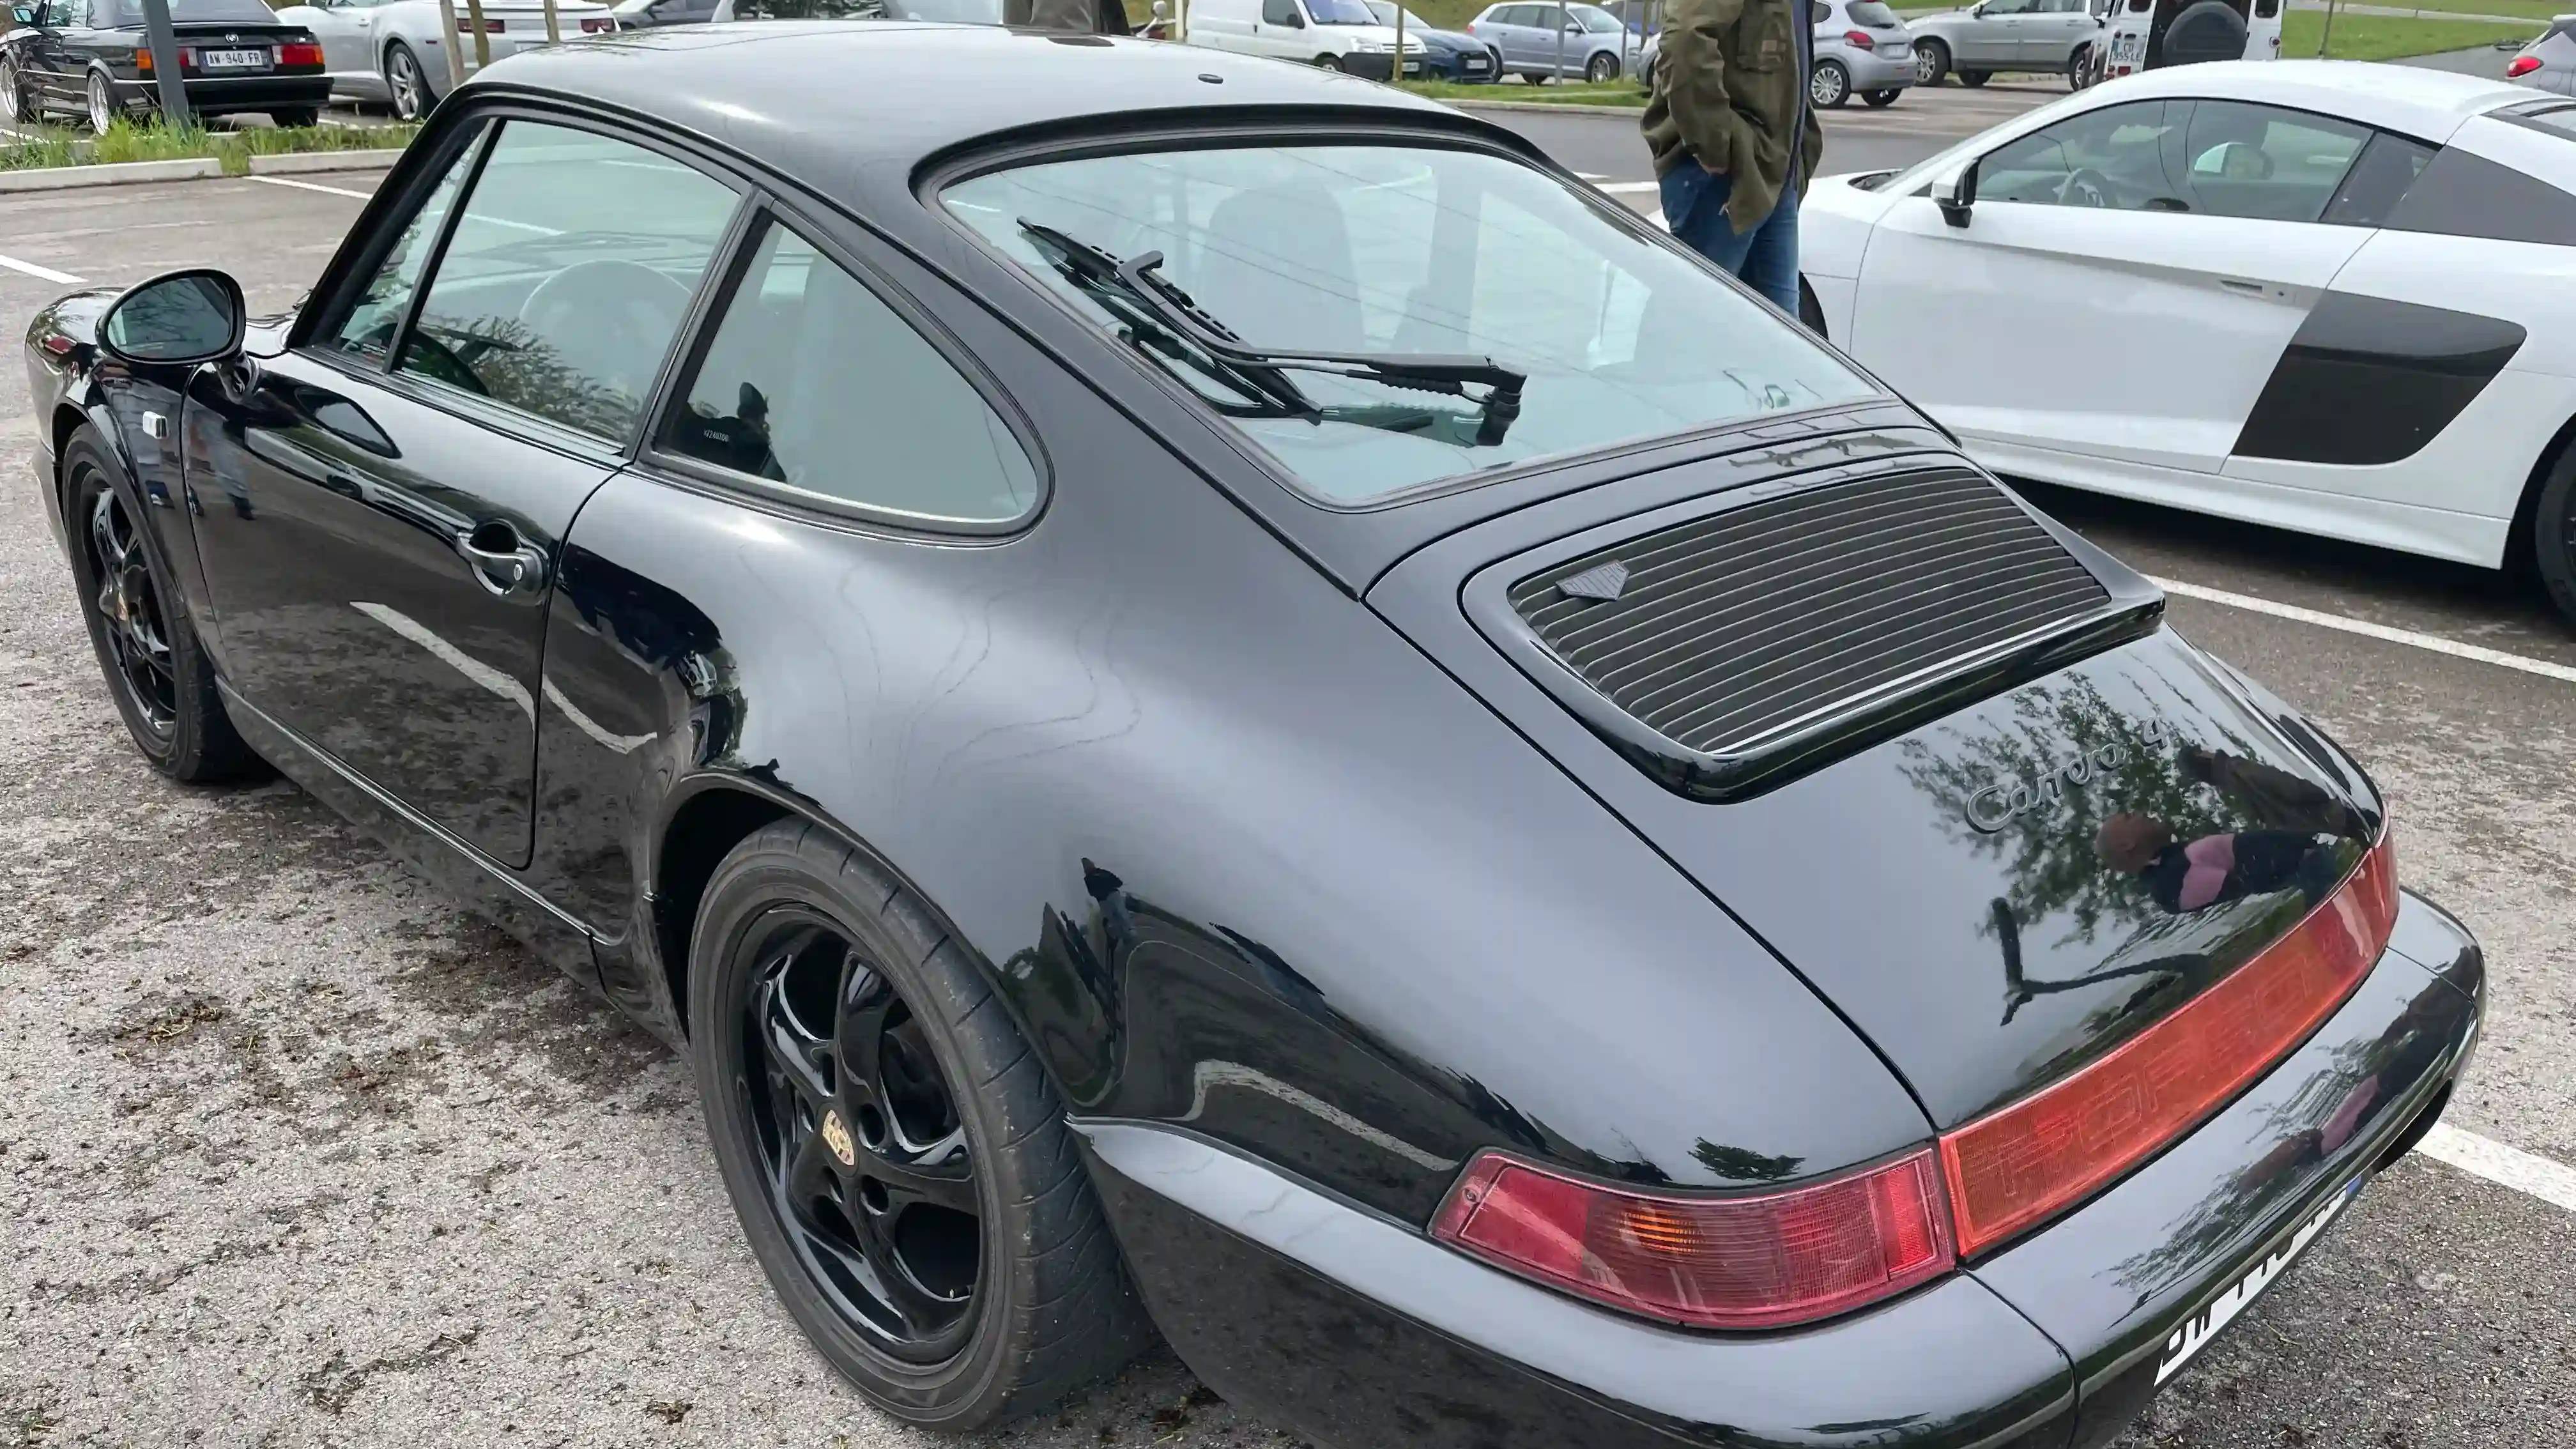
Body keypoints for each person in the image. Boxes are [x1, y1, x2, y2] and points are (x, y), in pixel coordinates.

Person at [1641, 0, 1821, 316]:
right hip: (1723, 181)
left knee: (1780, 345)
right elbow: (1684, 39)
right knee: (1691, 332)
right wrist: (1717, 144)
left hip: (1775, 175)